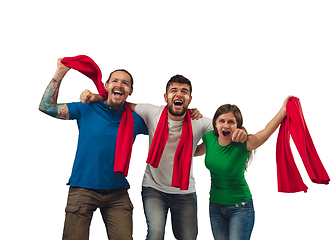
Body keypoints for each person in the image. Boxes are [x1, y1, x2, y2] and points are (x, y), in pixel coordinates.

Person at [82, 74, 248, 240]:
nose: (178, 94)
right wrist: (98, 97)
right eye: (173, 90)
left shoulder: (199, 121)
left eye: (184, 91)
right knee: (155, 234)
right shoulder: (151, 112)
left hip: (185, 191)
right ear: (165, 96)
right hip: (154, 188)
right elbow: (122, 103)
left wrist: (243, 132)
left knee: (189, 237)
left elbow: (223, 130)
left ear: (190, 99)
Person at [38, 58, 148, 240]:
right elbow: (46, 106)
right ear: (106, 86)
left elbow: (165, 123)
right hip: (83, 187)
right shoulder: (86, 107)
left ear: (130, 91)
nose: (119, 84)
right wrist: (60, 71)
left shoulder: (135, 119)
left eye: (125, 83)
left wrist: (190, 113)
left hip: (117, 192)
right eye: (115, 81)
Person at [194, 96, 293, 240]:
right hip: (215, 207)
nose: (226, 125)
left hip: (240, 207)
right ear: (215, 123)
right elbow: (196, 151)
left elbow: (265, 133)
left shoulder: (244, 143)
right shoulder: (209, 138)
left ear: (237, 126)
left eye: (231, 122)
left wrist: (283, 111)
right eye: (221, 121)